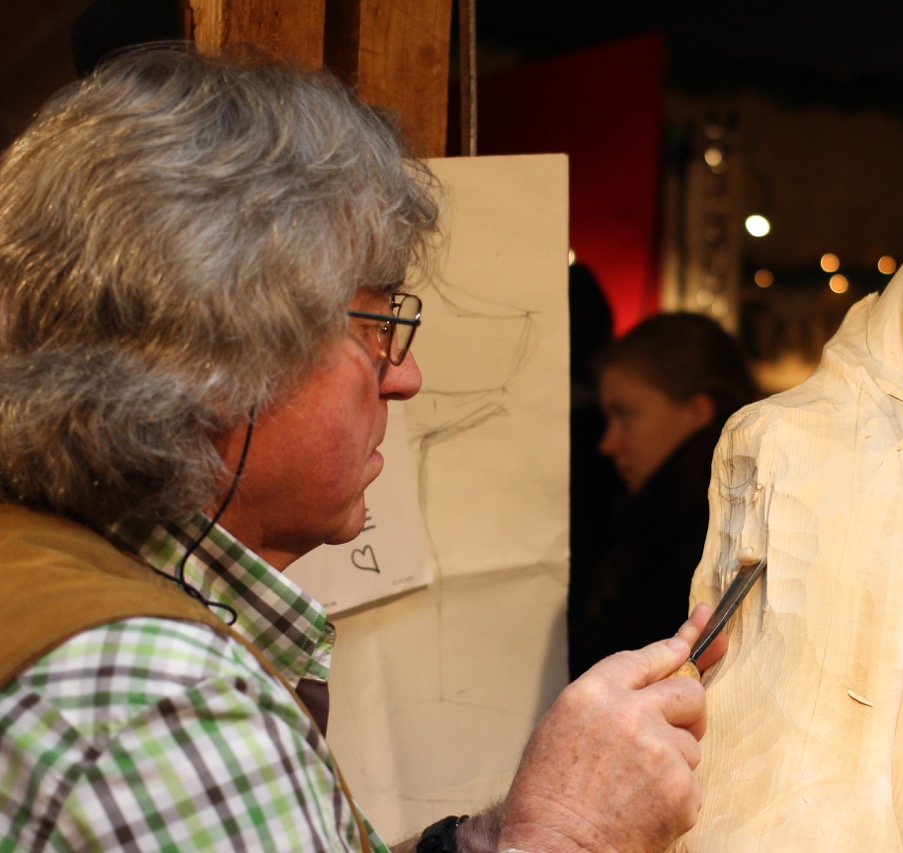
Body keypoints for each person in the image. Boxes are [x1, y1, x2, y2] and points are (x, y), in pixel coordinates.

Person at [0, 46, 725, 853]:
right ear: (216, 354)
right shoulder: (170, 707)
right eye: (377, 324)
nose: (404, 377)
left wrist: (499, 835)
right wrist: (566, 835)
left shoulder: (52, 569)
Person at [569, 312, 757, 678]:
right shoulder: (650, 523)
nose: (607, 443)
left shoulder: (709, 542)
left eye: (625, 414)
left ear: (697, 411)